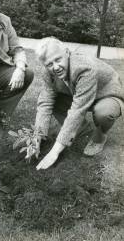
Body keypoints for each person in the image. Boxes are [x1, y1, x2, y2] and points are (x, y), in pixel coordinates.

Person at [31, 37, 124, 170]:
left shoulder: (84, 67)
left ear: (67, 53)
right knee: (52, 100)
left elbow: (78, 109)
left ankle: (100, 136)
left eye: (58, 59)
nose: (55, 67)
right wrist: (37, 138)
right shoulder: (48, 73)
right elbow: (45, 103)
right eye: (49, 64)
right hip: (79, 91)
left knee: (104, 113)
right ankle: (82, 129)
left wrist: (54, 152)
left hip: (105, 92)